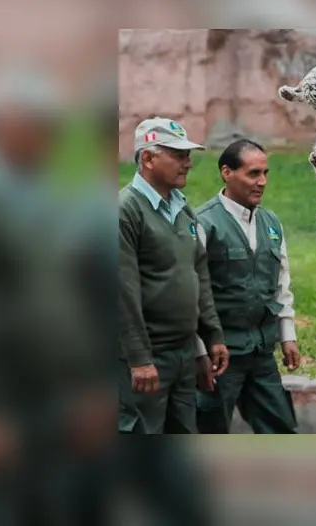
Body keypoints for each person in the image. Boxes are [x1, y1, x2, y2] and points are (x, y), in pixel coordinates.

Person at [118, 117, 229, 434]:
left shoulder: (183, 209)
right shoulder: (125, 210)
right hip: (145, 359)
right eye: (178, 155)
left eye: (187, 155)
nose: (188, 163)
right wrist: (139, 359)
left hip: (182, 355)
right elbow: (121, 292)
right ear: (149, 158)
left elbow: (198, 276)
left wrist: (210, 338)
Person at [193, 139, 302, 434]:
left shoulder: (271, 222)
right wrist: (200, 350)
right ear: (226, 173)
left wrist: (287, 335)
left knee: (281, 429)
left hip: (261, 353)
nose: (262, 182)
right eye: (253, 173)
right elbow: (192, 294)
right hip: (220, 356)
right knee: (209, 431)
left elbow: (282, 283)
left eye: (265, 173)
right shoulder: (203, 223)